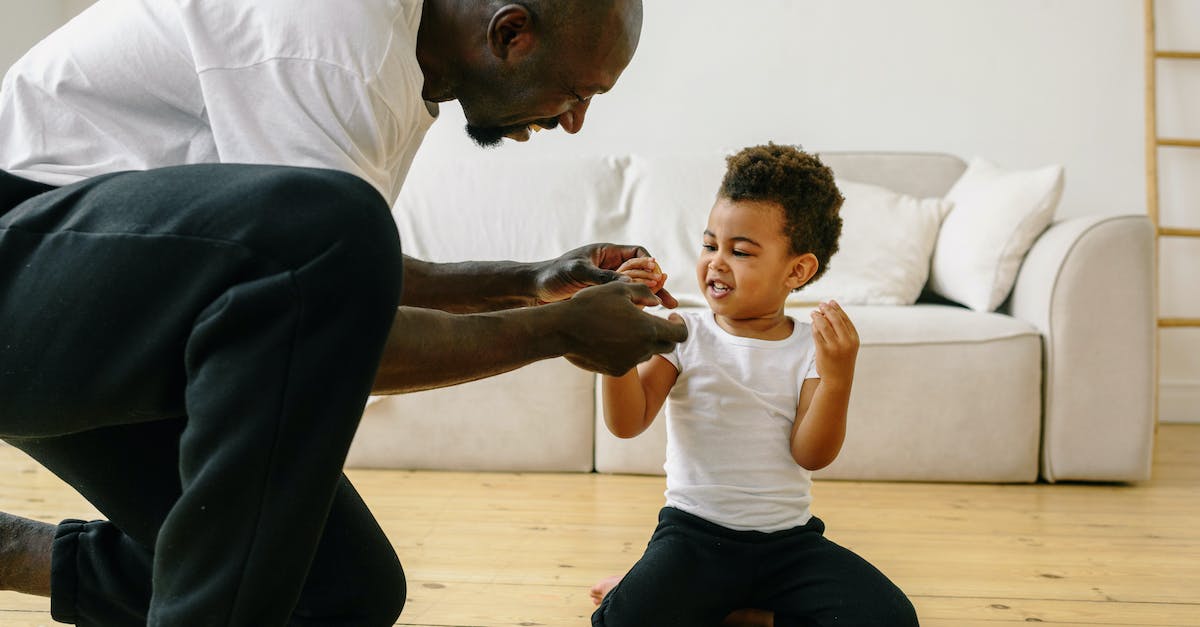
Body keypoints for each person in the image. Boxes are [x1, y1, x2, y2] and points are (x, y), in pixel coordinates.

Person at [0, 1, 687, 625]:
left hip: (114, 298)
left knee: (345, 588)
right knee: (340, 227)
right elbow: (334, 318)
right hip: (21, 268)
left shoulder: (396, 58)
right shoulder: (334, 39)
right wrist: (560, 330)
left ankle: (12, 552)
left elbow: (333, 283)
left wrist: (530, 282)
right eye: (579, 91)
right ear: (511, 33)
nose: (574, 120)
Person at [589, 144, 919, 626]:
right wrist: (614, 342)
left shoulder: (811, 347)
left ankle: (741, 614)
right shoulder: (683, 333)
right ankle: (676, 592)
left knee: (892, 619)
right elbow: (626, 423)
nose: (717, 263)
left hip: (789, 545)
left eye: (740, 251)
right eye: (710, 245)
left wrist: (838, 376)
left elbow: (812, 454)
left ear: (797, 270)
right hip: (693, 539)